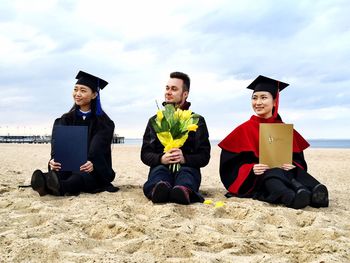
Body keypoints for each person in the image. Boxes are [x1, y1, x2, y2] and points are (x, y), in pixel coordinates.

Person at [218, 75, 329, 209]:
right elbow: (229, 165)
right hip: (256, 179)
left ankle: (314, 193)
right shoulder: (243, 129)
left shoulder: (284, 130)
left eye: (263, 97)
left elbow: (300, 161)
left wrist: (293, 165)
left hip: (285, 174)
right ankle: (293, 196)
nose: (258, 102)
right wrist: (251, 168)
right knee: (271, 173)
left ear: (275, 102)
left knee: (290, 171)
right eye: (254, 98)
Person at [31, 70, 118, 196]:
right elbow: (58, 145)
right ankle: (46, 183)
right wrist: (54, 160)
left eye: (83, 90)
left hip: (92, 169)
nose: (77, 94)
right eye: (75, 89)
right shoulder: (65, 119)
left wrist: (92, 163)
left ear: (94, 95)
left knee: (79, 176)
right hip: (68, 166)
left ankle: (59, 187)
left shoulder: (104, 123)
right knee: (59, 173)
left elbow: (97, 148)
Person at [141, 71, 211, 205]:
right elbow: (145, 154)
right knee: (159, 174)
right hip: (160, 167)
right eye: (167, 88)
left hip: (188, 167)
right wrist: (161, 158)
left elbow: (204, 156)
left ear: (185, 94)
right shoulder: (156, 120)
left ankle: (183, 191)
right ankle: (158, 190)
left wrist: (185, 158)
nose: (168, 92)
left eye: (174, 89)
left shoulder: (196, 120)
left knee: (186, 175)